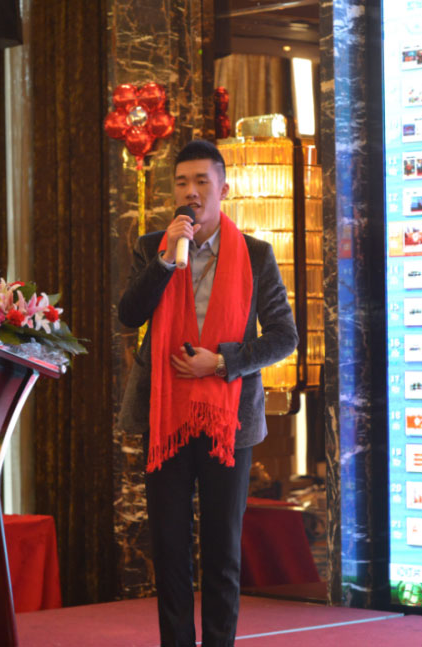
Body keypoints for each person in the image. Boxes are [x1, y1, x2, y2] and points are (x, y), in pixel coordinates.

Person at [118, 139, 298, 647]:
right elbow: (129, 315)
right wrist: (164, 262)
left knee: (222, 552)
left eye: (201, 181)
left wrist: (221, 362)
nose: (191, 192)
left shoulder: (256, 254)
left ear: (223, 188)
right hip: (165, 417)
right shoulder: (152, 246)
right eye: (181, 183)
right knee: (170, 550)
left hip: (228, 421)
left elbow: (284, 336)